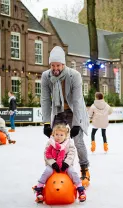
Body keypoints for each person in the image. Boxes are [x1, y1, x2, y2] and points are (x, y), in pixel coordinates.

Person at [41, 46, 90, 187]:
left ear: (63, 64)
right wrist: (45, 123)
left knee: (78, 141)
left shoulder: (74, 75)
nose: (55, 68)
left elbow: (77, 101)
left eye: (58, 65)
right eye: (52, 65)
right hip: (58, 110)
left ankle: (84, 169)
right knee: (54, 141)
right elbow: (45, 100)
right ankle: (53, 168)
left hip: (74, 110)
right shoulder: (46, 76)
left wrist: (76, 124)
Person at [33, 124, 86, 203]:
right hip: (53, 165)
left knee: (72, 172)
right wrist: (53, 163)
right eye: (56, 134)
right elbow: (46, 154)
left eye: (61, 135)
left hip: (65, 165)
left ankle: (80, 189)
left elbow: (71, 154)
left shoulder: (69, 143)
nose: (58, 137)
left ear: (65, 135)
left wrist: (67, 163)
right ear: (53, 134)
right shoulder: (50, 143)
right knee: (47, 171)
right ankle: (39, 189)